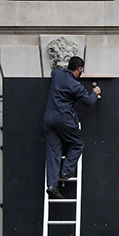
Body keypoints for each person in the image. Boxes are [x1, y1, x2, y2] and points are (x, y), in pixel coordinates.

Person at [43, 56, 100, 198]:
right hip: (63, 118)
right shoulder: (75, 85)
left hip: (48, 118)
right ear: (80, 69)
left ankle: (52, 184)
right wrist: (96, 92)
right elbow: (87, 101)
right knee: (78, 142)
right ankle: (66, 171)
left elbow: (54, 72)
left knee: (53, 151)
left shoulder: (57, 74)